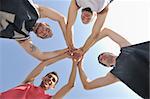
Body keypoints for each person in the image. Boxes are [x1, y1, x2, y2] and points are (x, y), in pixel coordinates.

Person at [77, 28, 149, 98]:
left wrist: (84, 49)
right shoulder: (114, 75)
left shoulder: (126, 48)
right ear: (108, 65)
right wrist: (79, 64)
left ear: (111, 53)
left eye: (102, 54)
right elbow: (87, 85)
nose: (101, 57)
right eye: (101, 60)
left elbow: (106, 31)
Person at [0, 0, 68, 61]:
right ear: (45, 24)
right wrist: (70, 43)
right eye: (47, 30)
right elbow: (61, 18)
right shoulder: (36, 11)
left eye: (44, 35)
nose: (44, 32)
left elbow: (42, 56)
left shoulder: (22, 36)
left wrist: (67, 51)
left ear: (38, 36)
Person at [0, 54, 78, 99]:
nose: (50, 79)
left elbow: (70, 85)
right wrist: (65, 55)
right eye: (49, 76)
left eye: (53, 80)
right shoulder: (28, 84)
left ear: (53, 87)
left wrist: (75, 62)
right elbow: (43, 64)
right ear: (43, 77)